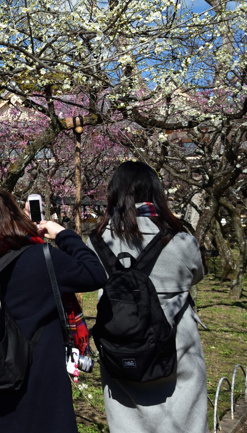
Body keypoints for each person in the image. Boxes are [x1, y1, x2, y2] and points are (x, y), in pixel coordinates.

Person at [0, 185, 106, 433]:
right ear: (12, 217)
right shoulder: (41, 258)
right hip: (41, 383)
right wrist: (60, 233)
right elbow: (95, 273)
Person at [88, 161, 206, 433]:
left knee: (127, 421)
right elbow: (196, 274)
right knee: (185, 420)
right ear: (156, 192)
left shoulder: (96, 241)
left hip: (121, 344)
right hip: (177, 343)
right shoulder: (180, 239)